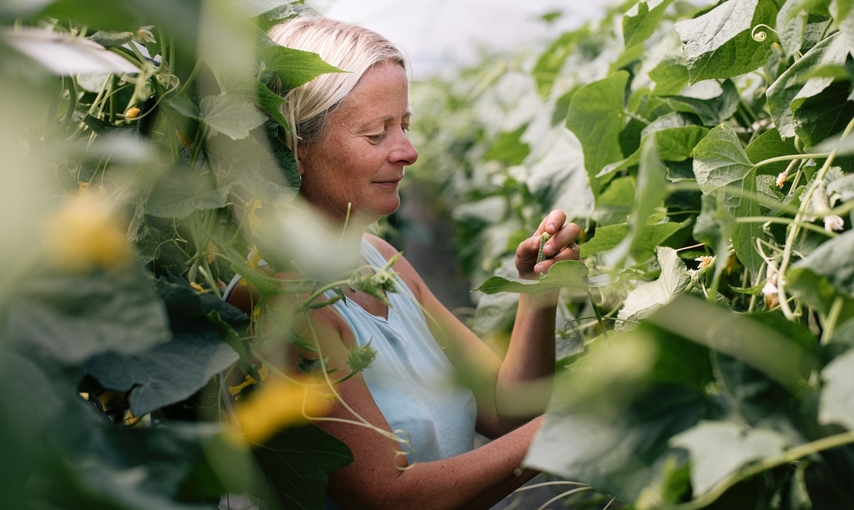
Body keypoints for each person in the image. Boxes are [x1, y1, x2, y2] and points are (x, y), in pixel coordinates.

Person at [232, 15, 582, 510]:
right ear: (295, 149)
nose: (409, 151)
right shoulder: (281, 298)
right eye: (376, 134)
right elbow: (390, 498)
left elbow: (508, 413)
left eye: (405, 126)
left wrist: (540, 294)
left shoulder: (383, 262)